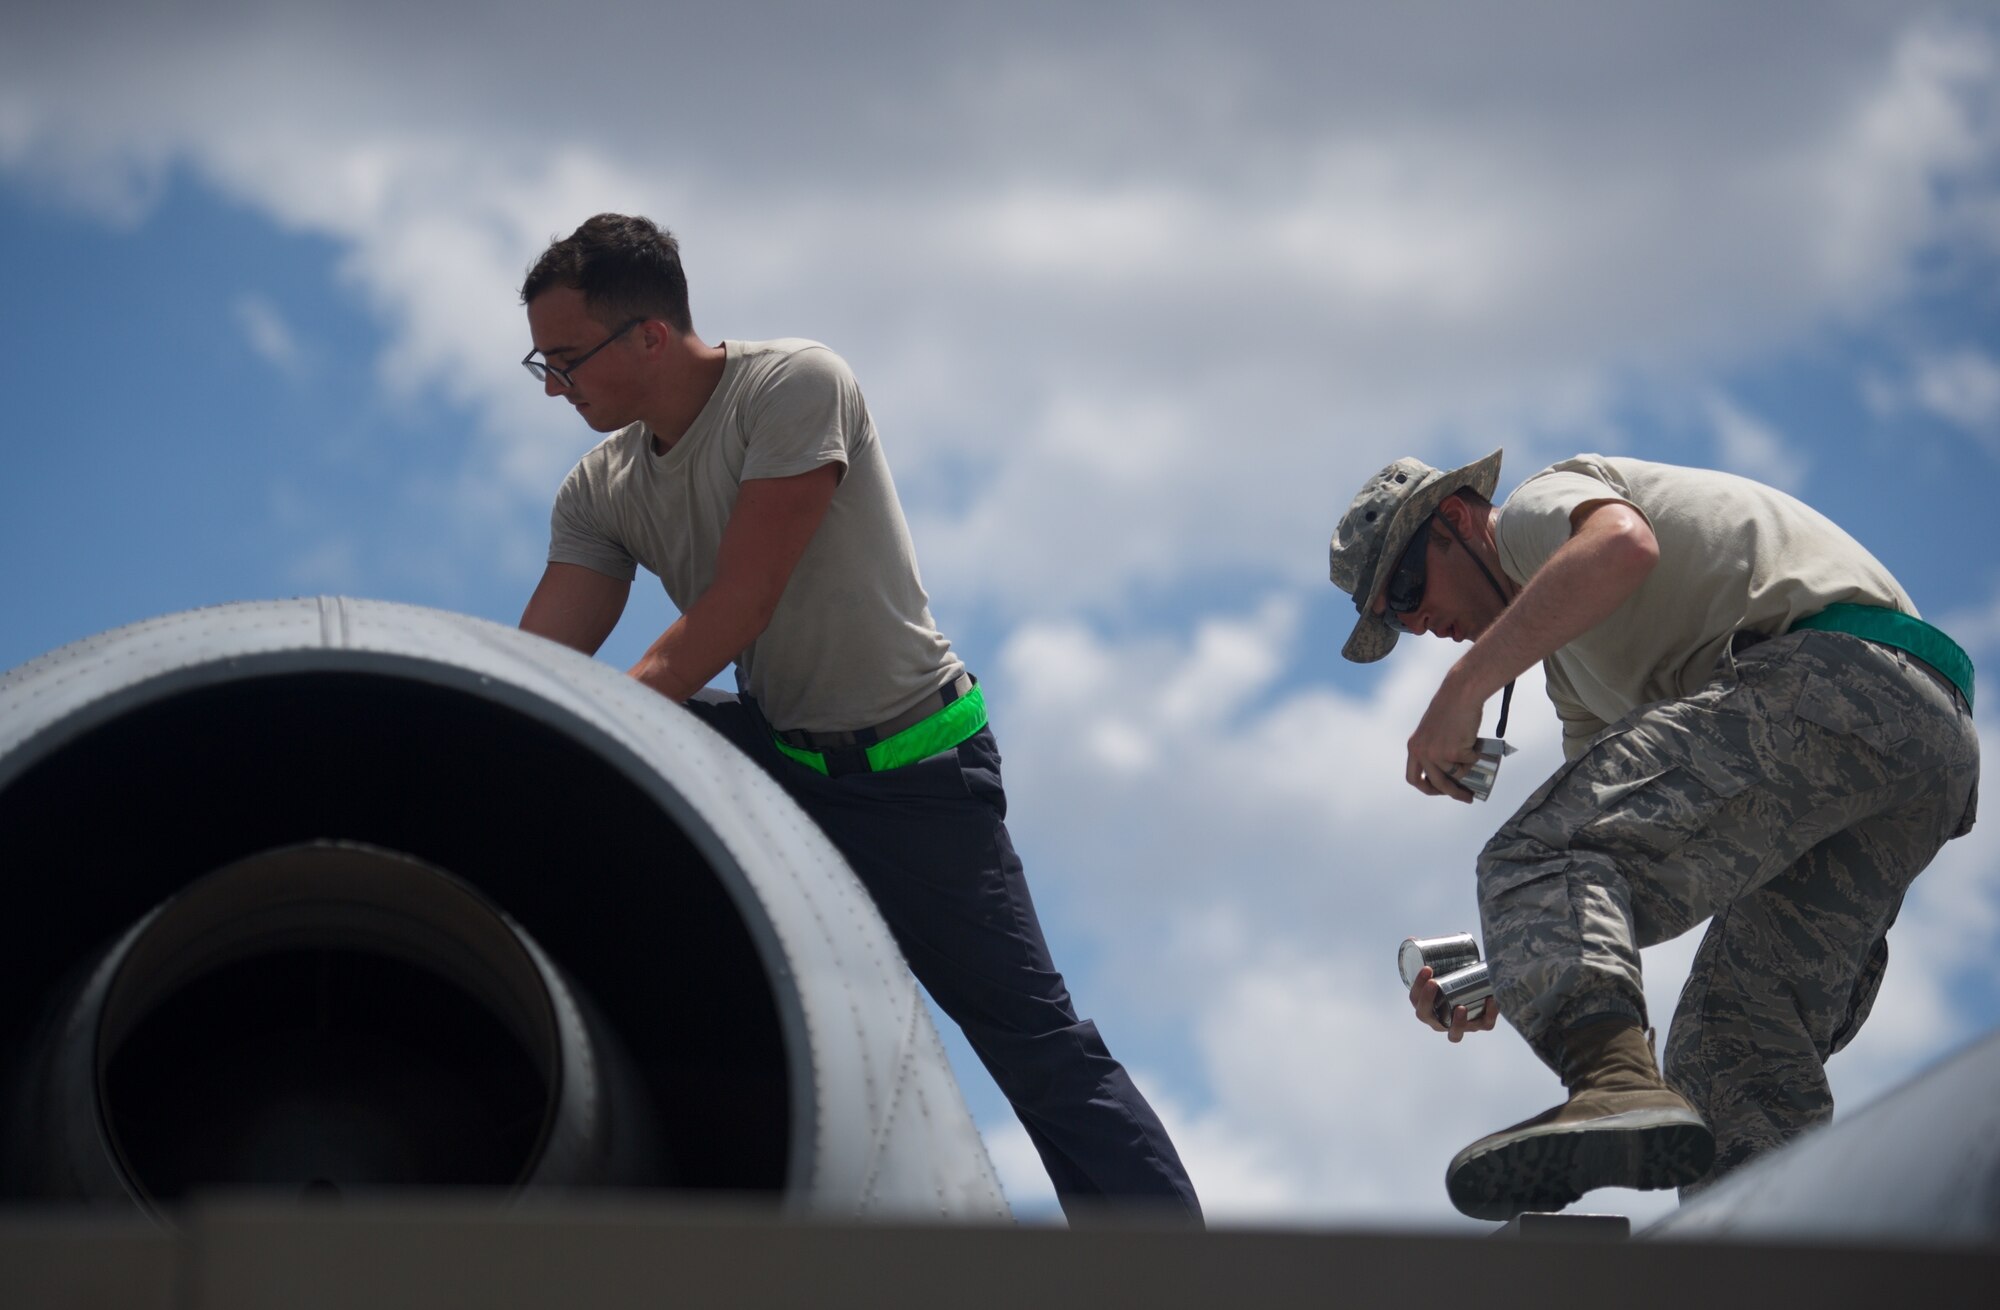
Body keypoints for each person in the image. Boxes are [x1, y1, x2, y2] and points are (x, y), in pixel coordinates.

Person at [512, 213, 1200, 1223]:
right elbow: (538, 665)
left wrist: (600, 727)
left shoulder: (793, 386)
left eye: (565, 359)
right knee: (569, 753)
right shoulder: (600, 488)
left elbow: (738, 603)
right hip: (780, 752)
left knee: (1034, 1046)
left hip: (914, 770)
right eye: (541, 361)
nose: (552, 386)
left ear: (647, 336)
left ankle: (1176, 1278)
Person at [1327, 449, 1979, 1221]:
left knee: (1532, 852)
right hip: (1916, 752)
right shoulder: (1576, 680)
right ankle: (1762, 1253)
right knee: (1732, 1043)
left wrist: (1464, 689)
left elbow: (1623, 546)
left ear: (1458, 519)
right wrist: (1514, 962)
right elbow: (1623, 862)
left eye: (1405, 588)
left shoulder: (1532, 518)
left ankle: (1612, 1088)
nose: (1416, 624)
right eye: (1392, 623)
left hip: (1843, 678)